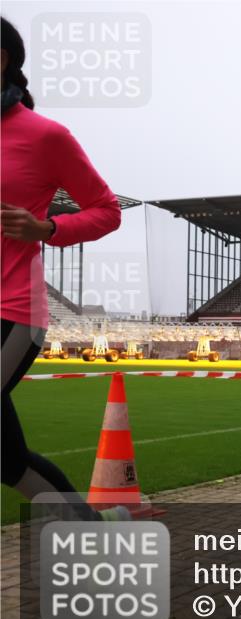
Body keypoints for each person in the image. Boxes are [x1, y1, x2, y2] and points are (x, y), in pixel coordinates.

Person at [1, 17, 128, 522]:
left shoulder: (44, 136)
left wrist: (45, 228)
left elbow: (107, 209)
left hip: (11, 311)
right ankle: (95, 535)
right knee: (8, 462)